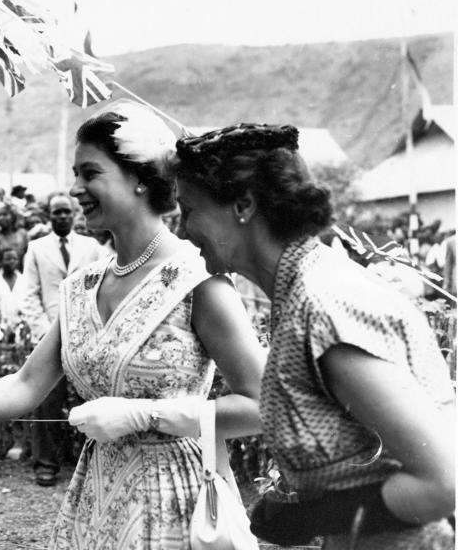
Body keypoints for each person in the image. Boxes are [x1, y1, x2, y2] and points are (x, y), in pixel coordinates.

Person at [0, 101, 265, 549]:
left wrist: (146, 415)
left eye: (90, 173)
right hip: (96, 501)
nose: (75, 189)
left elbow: (261, 405)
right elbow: (28, 382)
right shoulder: (82, 284)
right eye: (75, 174)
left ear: (138, 179)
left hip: (175, 504)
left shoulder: (199, 280)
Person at [173, 123, 455, 549]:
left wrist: (306, 516)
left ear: (243, 205)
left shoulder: (325, 305)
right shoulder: (303, 288)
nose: (180, 230)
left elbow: (442, 482)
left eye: (188, 210)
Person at [17, 192, 105, 487]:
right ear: (49, 216)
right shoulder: (36, 249)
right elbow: (28, 293)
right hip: (49, 334)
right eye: (56, 213)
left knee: (91, 396)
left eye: (67, 212)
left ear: (75, 214)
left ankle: (96, 463)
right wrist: (44, 330)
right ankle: (46, 464)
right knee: (46, 398)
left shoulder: (91, 247)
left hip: (86, 334)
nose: (62, 217)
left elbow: (104, 288)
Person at [0, 202, 29, 266]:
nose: (2, 218)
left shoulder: (22, 233)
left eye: (5, 214)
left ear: (12, 216)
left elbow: (28, 254)